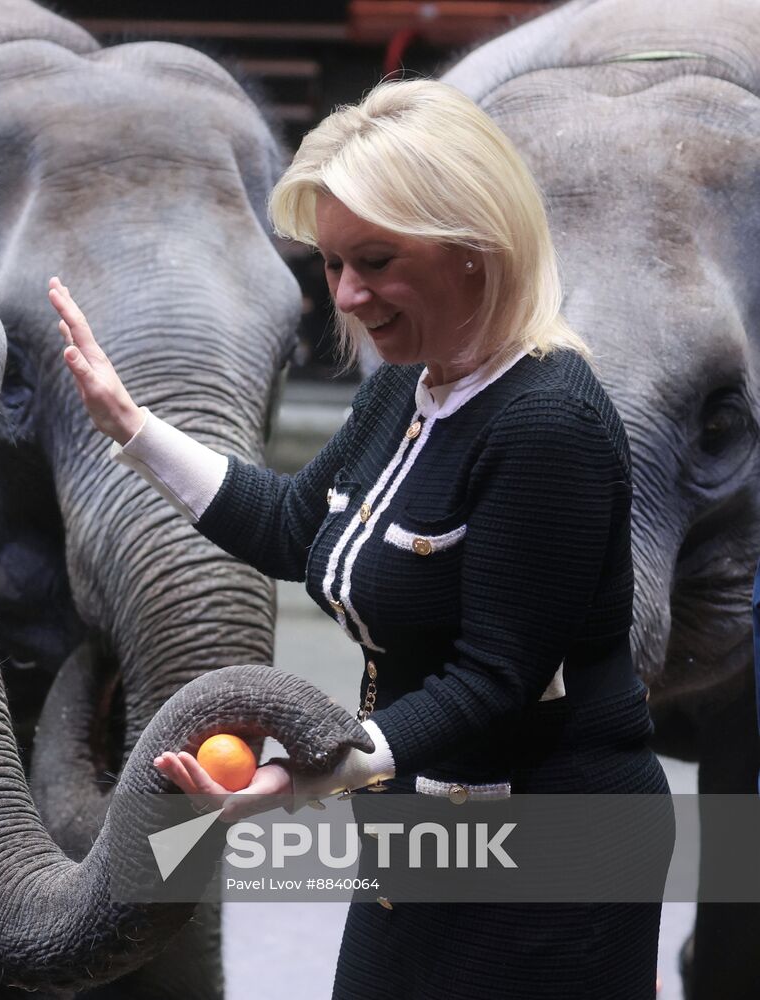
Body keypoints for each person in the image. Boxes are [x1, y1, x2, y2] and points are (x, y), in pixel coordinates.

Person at [48, 79, 668, 999]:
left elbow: (491, 681)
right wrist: (132, 428)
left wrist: (305, 777)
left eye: (372, 260)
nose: (344, 295)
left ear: (472, 247)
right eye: (331, 265)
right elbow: (296, 527)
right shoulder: (403, 387)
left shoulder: (547, 422)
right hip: (420, 824)